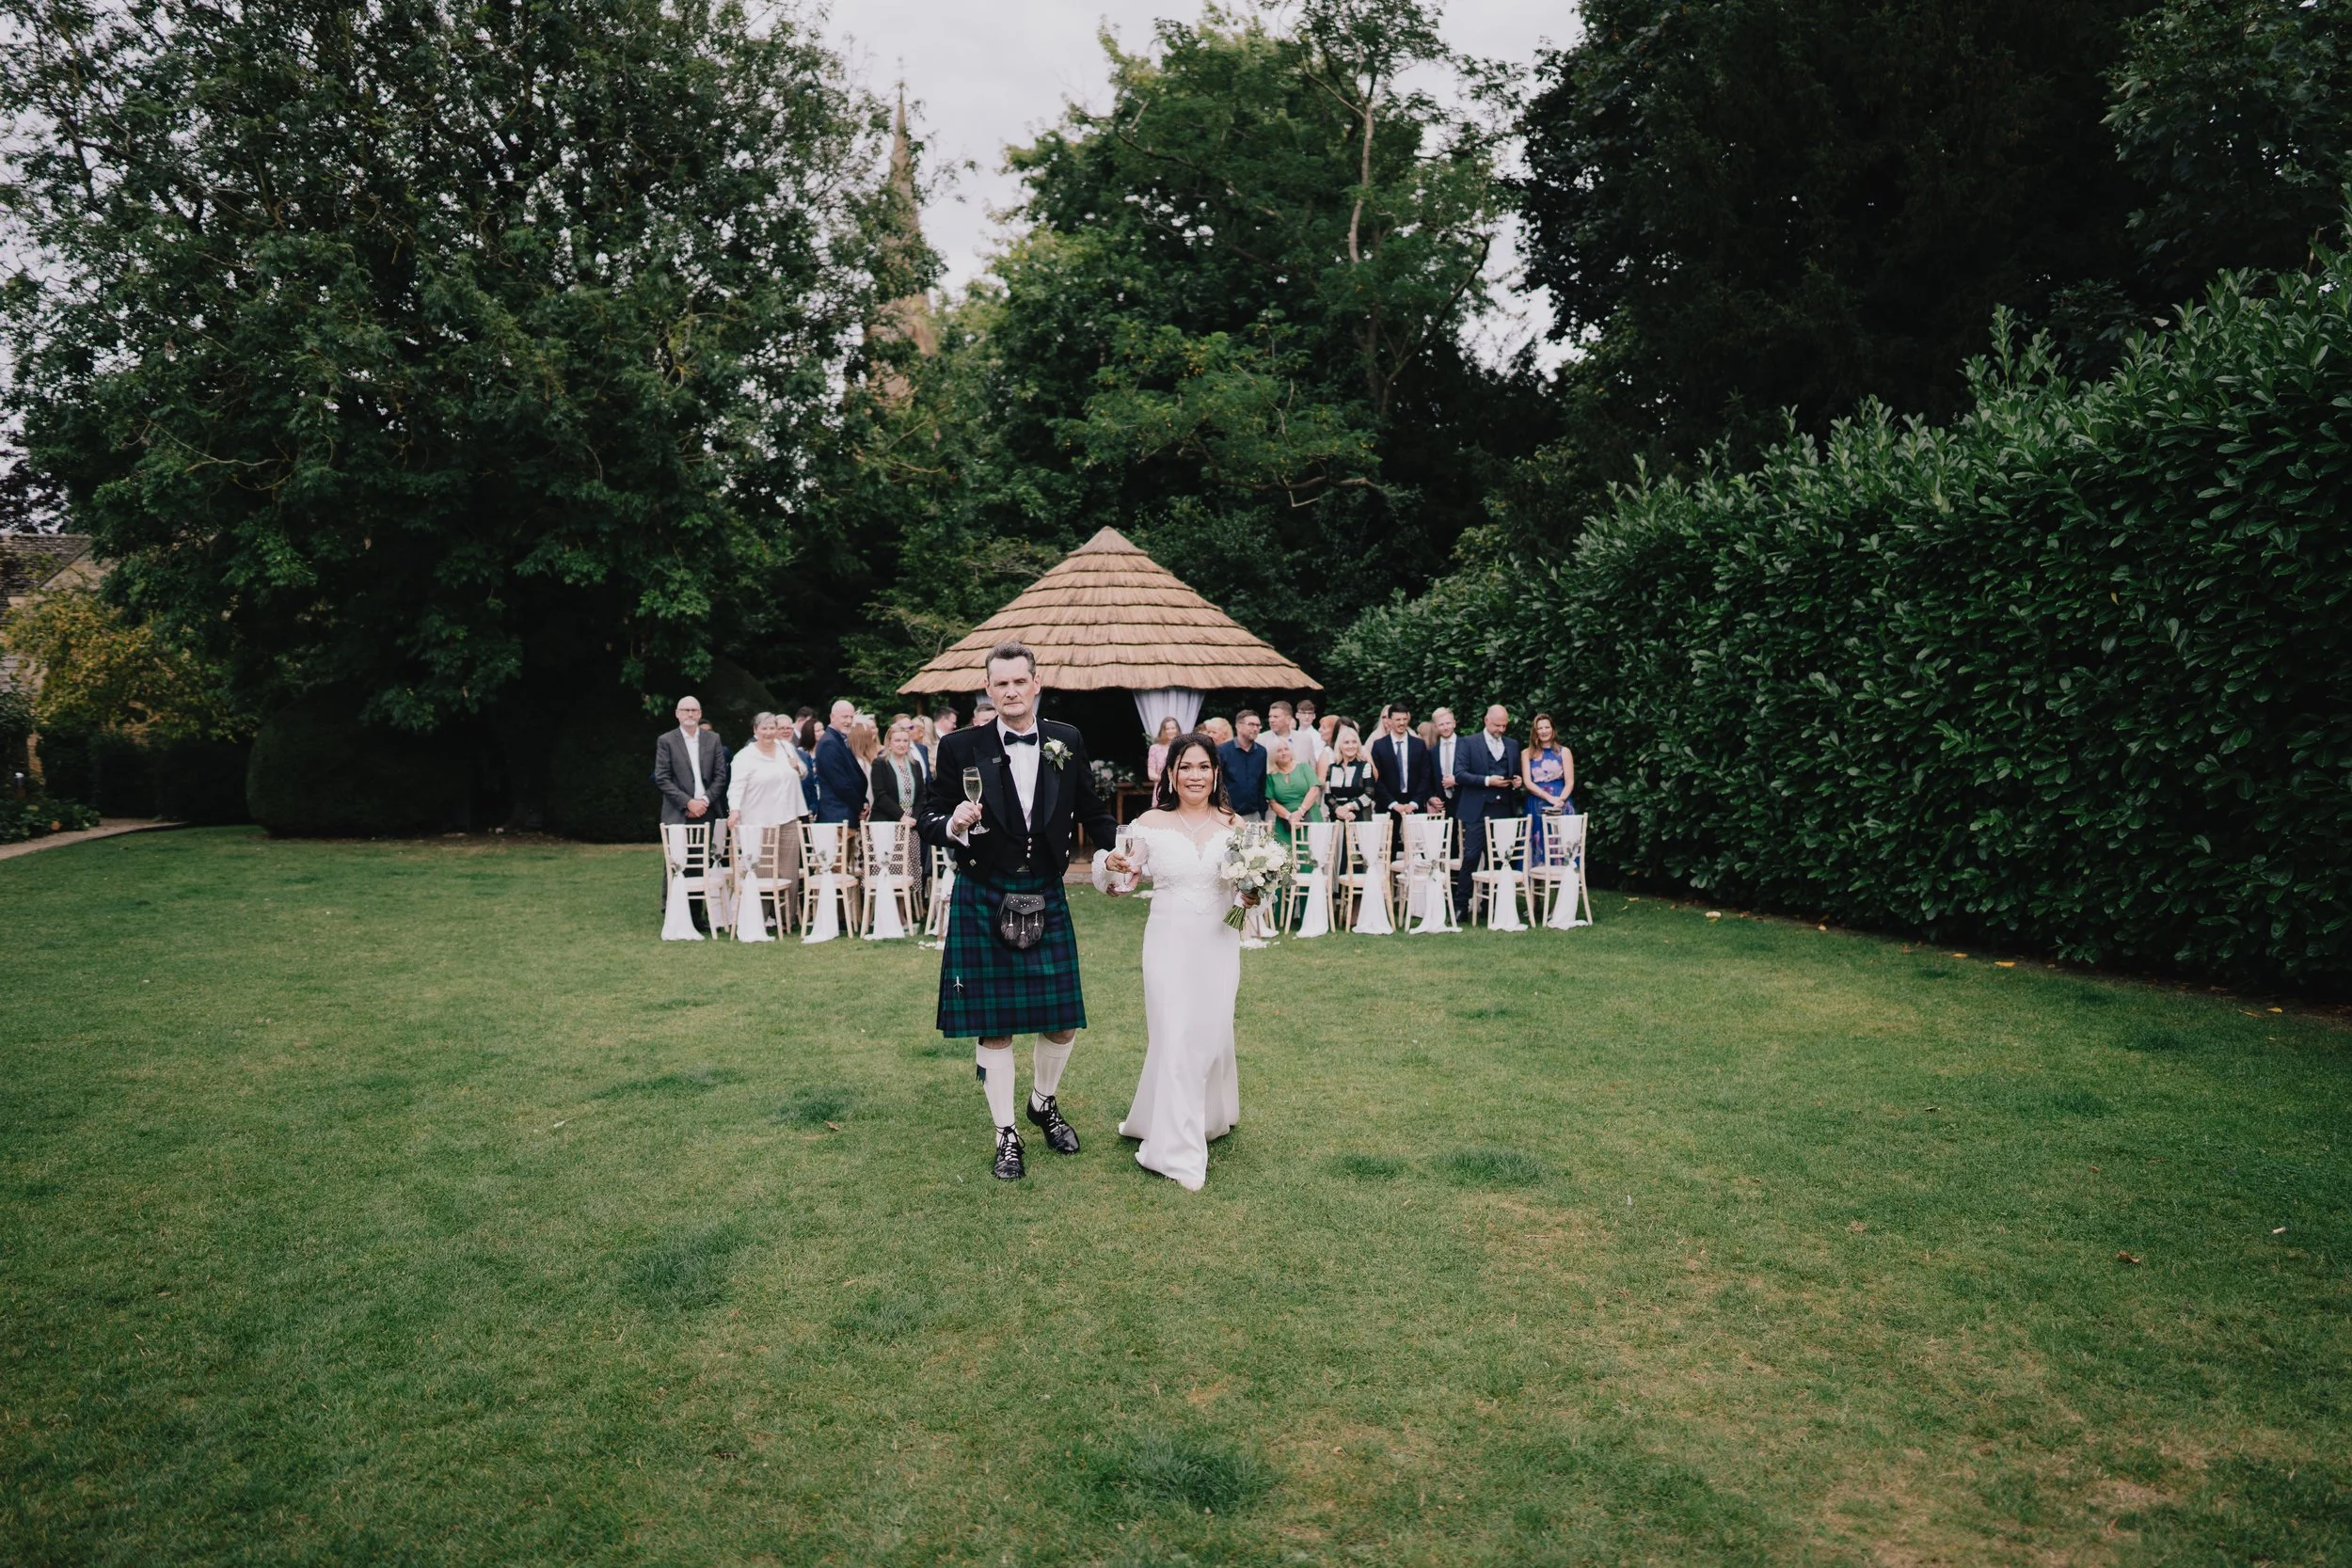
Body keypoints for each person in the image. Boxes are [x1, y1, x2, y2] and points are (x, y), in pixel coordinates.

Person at [919, 641, 1119, 1181]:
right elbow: (929, 815)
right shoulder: (960, 746)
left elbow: (1092, 810)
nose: (1010, 690)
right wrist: (953, 824)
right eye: (999, 683)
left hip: (1045, 890)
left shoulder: (1065, 740)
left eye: (1018, 681)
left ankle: (1043, 1101)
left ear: (1036, 684)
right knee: (996, 1026)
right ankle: (1006, 1132)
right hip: (984, 889)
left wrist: (1116, 846)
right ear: (989, 689)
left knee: (1062, 1023)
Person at [1099, 733, 1243, 1191]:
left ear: (1215, 772)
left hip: (1219, 941)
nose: (1195, 775)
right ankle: (1175, 1152)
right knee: (1176, 1033)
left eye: (1203, 767)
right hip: (1167, 942)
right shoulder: (1149, 823)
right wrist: (1116, 873)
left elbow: (1248, 894)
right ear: (1171, 774)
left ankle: (1203, 1116)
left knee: (1211, 1031)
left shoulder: (1235, 826)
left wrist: (1254, 893)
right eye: (1185, 767)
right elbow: (1122, 875)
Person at [1453, 705, 1522, 908]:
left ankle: (1495, 904)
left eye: (1504, 726)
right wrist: (1486, 781)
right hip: (1477, 808)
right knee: (1472, 856)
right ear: (1486, 720)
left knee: (1503, 857)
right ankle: (1461, 905)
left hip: (1504, 808)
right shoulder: (1468, 742)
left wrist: (1517, 781)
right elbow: (1459, 774)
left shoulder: (1512, 744)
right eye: (1497, 725)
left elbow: (1515, 772)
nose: (1501, 729)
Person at [726, 711, 811, 832]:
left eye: (772, 728)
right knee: (763, 852)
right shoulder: (744, 756)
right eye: (764, 728)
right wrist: (734, 810)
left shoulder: (786, 747)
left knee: (790, 852)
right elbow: (736, 787)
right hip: (759, 822)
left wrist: (797, 767)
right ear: (755, 730)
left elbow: (803, 773)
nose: (768, 732)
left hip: (789, 817)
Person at [1371, 704, 1440, 820]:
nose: (1402, 723)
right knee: (1389, 839)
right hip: (1387, 806)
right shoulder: (1379, 746)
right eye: (1398, 719)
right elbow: (1377, 778)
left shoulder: (1419, 744)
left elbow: (1425, 775)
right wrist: (1393, 804)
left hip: (1415, 804)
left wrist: (1414, 802)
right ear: (1389, 721)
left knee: (1417, 838)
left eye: (1404, 719)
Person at [1523, 713, 1576, 863]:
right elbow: (1528, 782)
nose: (1544, 731)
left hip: (1561, 801)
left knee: (1562, 842)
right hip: (1537, 802)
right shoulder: (1527, 754)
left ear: (1553, 730)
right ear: (1535, 731)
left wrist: (1560, 800)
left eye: (1547, 727)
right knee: (1538, 842)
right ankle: (1536, 881)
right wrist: (1549, 798)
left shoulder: (1564, 752)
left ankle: (1565, 880)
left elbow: (1570, 782)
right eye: (1540, 728)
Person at [812, 701, 866, 824]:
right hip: (837, 816)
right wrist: (860, 805)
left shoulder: (839, 740)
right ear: (832, 717)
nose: (848, 721)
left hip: (844, 814)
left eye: (851, 717)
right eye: (845, 716)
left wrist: (864, 801)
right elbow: (840, 784)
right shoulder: (829, 743)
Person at [1264, 737, 1323, 851]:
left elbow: (1314, 790)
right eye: (1279, 750)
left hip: (1309, 814)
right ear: (1272, 755)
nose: (1283, 753)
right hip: (1285, 820)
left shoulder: (1303, 767)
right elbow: (1272, 802)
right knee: (1285, 857)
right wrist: (1289, 817)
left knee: (1310, 855)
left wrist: (1301, 811)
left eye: (1286, 749)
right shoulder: (1271, 776)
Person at [869, 718, 929, 824]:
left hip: (912, 822)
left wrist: (915, 817)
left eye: (905, 741)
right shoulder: (880, 763)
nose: (902, 744)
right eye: (897, 740)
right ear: (889, 742)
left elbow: (922, 794)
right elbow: (880, 795)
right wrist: (902, 816)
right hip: (887, 820)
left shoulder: (915, 764)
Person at [1217, 708, 1269, 823]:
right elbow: (1217, 784)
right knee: (1229, 842)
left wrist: (1262, 813)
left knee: (1253, 842)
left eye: (1258, 725)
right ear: (1238, 726)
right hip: (1228, 815)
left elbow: (1262, 784)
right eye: (1251, 725)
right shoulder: (1222, 751)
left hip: (1253, 815)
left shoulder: (1261, 752)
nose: (1255, 729)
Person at [1322, 726, 1375, 822]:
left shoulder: (1365, 766)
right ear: (1340, 746)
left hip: (1360, 817)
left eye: (1354, 742)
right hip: (1337, 817)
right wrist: (1338, 809)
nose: (1351, 746)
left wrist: (1348, 807)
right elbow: (1327, 795)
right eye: (1346, 742)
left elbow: (1369, 794)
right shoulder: (1332, 768)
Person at [1263, 701, 1322, 782]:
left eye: (1276, 717)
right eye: (1270, 716)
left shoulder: (1305, 739)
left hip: (1303, 792)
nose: (1271, 720)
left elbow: (1312, 767)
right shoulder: (1261, 740)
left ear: (1288, 719)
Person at [1430, 707, 1462, 819]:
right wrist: (1430, 797)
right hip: (1443, 805)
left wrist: (1457, 779)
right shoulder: (1432, 752)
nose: (1446, 727)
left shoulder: (1467, 746)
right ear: (1435, 727)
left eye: (1448, 723)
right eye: (1441, 725)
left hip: (1465, 801)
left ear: (1454, 723)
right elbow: (1428, 778)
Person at [1145, 715, 1181, 786]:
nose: (1171, 731)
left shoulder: (1183, 747)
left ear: (1177, 729)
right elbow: (1151, 774)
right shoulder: (1154, 748)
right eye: (1167, 729)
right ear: (1163, 731)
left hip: (1181, 789)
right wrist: (1167, 779)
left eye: (1173, 728)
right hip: (1162, 789)